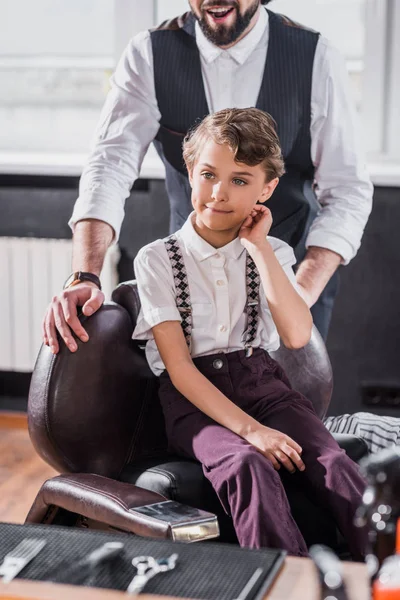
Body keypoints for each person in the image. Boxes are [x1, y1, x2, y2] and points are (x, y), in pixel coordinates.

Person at [42, 0, 373, 353]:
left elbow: (347, 190)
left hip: (292, 269)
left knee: (293, 401)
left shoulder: (316, 56)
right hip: (189, 282)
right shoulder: (148, 54)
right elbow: (108, 167)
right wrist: (86, 275)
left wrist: (299, 292)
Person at [131, 106, 367, 558]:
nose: (219, 193)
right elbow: (179, 371)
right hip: (194, 400)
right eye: (208, 174)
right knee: (247, 464)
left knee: (334, 463)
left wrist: (258, 247)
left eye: (240, 180)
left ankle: (381, 571)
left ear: (268, 188)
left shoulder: (272, 250)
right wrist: (253, 432)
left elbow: (298, 336)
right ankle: (283, 583)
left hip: (264, 385)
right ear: (190, 171)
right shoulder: (157, 259)